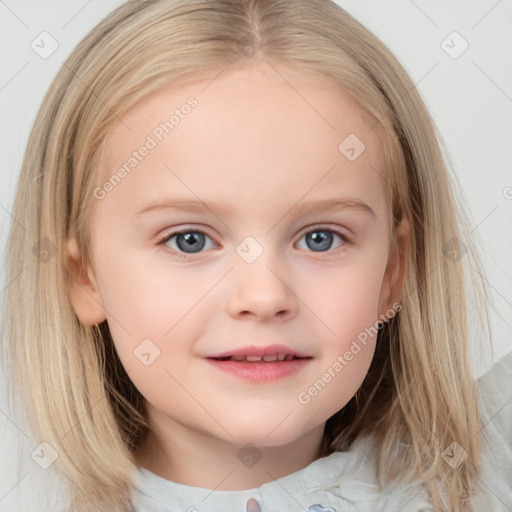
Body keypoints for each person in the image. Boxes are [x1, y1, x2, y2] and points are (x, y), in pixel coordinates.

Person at [2, 0, 511, 511]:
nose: (264, 296)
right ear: (85, 277)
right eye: (190, 240)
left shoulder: (481, 468)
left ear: (391, 273)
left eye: (320, 238)